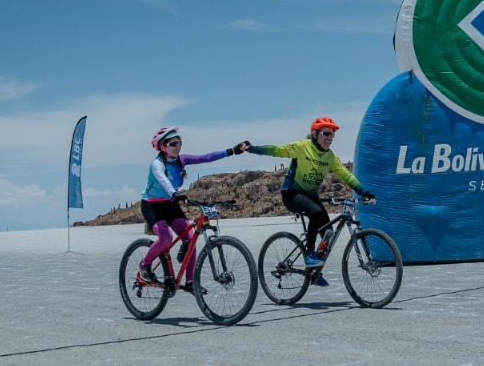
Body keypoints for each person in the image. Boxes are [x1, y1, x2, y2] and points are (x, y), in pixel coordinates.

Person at [246, 117, 375, 286]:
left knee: (328, 234)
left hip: (311, 196)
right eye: (326, 133)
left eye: (332, 135)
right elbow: (277, 150)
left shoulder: (330, 157)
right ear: (315, 134)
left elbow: (346, 176)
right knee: (316, 212)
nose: (330, 138)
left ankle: (312, 273)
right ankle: (309, 255)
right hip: (291, 193)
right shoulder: (302, 147)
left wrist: (364, 192)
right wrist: (253, 149)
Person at [138, 127, 249, 287]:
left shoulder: (181, 160)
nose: (178, 146)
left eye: (179, 142)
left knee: (190, 240)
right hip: (152, 206)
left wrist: (232, 151)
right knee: (166, 238)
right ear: (163, 146)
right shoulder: (157, 164)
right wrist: (173, 193)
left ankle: (190, 281)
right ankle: (145, 265)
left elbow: (206, 157)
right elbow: (163, 180)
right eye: (173, 143)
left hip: (170, 204)